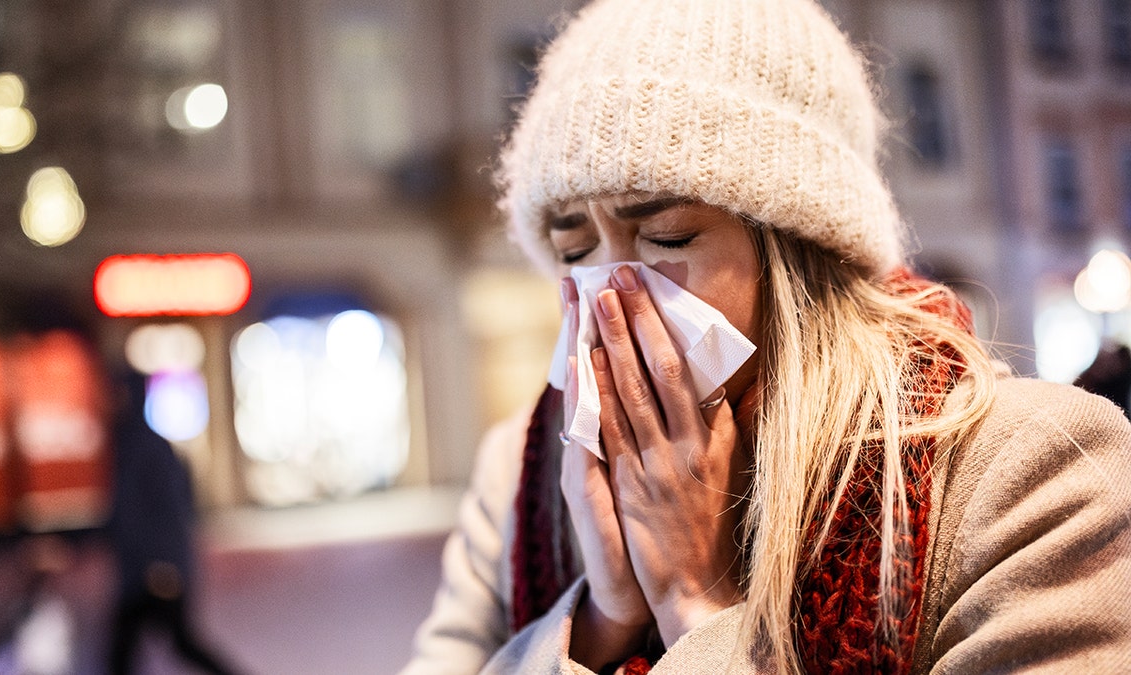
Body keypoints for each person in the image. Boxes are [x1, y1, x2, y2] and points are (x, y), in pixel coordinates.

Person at [401, 0, 1131, 673]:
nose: (611, 290)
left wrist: (695, 603)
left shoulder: (1033, 474)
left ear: (797, 249)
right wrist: (599, 620)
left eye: (666, 234)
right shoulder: (516, 474)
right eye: (572, 249)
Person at [107, 371, 241, 675]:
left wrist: (165, 563)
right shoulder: (126, 446)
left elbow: (171, 513)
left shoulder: (149, 448)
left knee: (172, 643)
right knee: (131, 650)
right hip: (140, 570)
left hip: (155, 572)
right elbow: (122, 514)